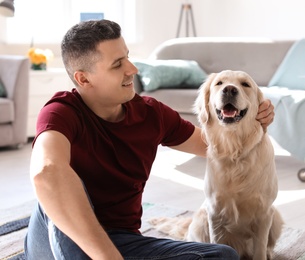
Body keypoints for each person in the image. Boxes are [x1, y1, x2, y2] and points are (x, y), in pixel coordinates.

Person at [24, 19, 275, 260]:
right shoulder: (60, 112)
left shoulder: (151, 114)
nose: (132, 69)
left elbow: (216, 145)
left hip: (124, 241)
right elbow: (46, 173)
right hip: (58, 238)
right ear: (84, 78)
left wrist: (253, 117)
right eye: (117, 64)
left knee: (222, 255)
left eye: (128, 57)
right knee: (61, 184)